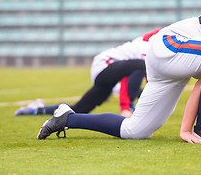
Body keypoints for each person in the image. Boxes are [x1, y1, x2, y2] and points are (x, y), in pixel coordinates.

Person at [37, 0, 201, 143]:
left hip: (176, 63)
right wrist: (189, 129)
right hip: (169, 46)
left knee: (136, 131)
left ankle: (67, 118)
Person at [15, 29, 160, 118]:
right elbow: (136, 74)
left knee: (79, 110)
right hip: (104, 67)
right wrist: (125, 107)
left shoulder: (144, 46)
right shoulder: (145, 47)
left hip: (107, 72)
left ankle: (36, 109)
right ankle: (128, 109)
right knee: (141, 66)